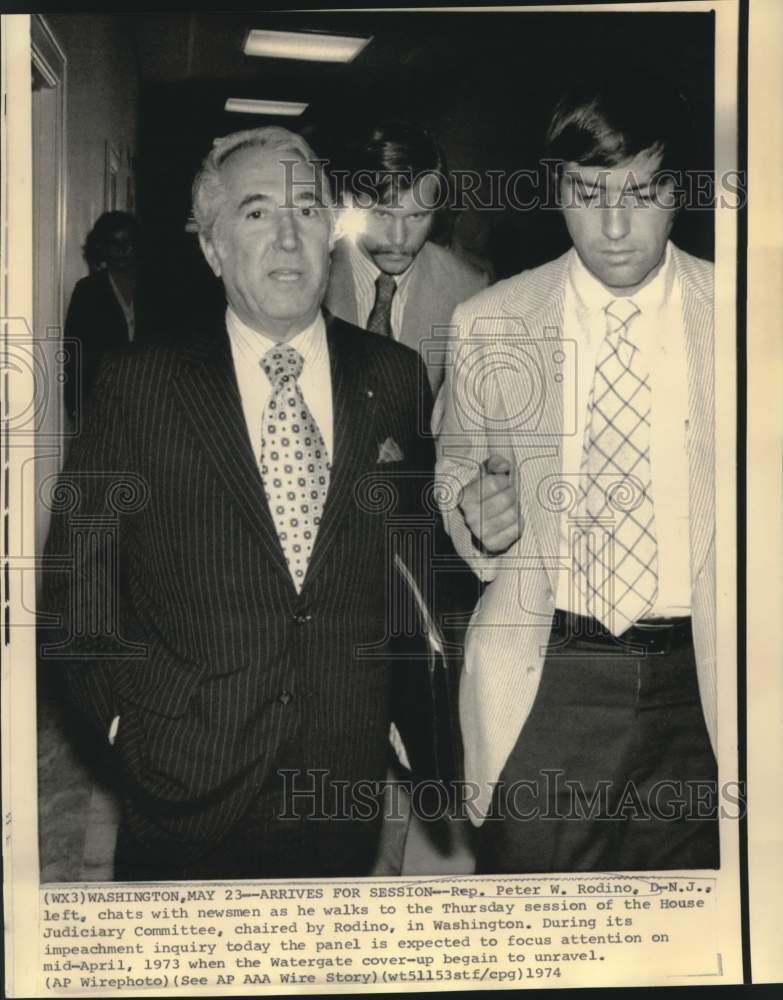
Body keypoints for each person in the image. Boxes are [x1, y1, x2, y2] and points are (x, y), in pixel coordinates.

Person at [42, 126, 439, 880]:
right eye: (257, 214)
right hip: (182, 783)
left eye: (308, 211)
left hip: (340, 787)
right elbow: (74, 589)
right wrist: (126, 726)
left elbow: (409, 571)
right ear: (212, 247)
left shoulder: (393, 378)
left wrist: (390, 722)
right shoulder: (141, 385)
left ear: (332, 233)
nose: (288, 237)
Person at [435, 70, 718, 873]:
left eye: (642, 190)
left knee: (680, 949)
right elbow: (456, 468)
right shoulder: (489, 323)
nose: (616, 223)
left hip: (705, 688)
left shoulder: (745, 316)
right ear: (555, 190)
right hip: (549, 683)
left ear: (681, 190)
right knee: (538, 938)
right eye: (589, 191)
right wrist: (474, 514)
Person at [325, 121, 489, 395]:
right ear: (350, 201)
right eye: (381, 214)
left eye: (416, 216)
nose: (398, 238)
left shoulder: (469, 290)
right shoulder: (313, 272)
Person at [63, 211, 141, 421]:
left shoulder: (153, 287)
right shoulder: (88, 291)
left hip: (148, 398)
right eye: (115, 243)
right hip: (103, 403)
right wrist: (76, 407)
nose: (123, 250)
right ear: (102, 247)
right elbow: (74, 353)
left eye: (129, 242)